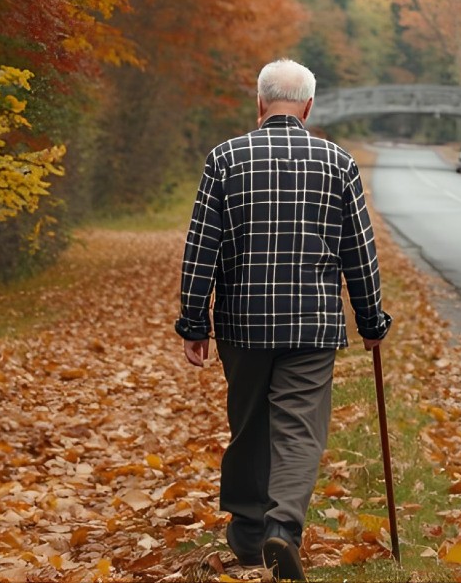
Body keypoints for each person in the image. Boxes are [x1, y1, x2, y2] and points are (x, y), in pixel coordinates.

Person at [175, 58, 392, 582]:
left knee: (249, 425)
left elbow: (202, 246)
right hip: (312, 324)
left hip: (241, 322)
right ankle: (284, 529)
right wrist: (371, 319)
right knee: (299, 430)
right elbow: (358, 252)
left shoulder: (225, 159)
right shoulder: (337, 163)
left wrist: (193, 322)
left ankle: (249, 537)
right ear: (309, 106)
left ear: (259, 103)